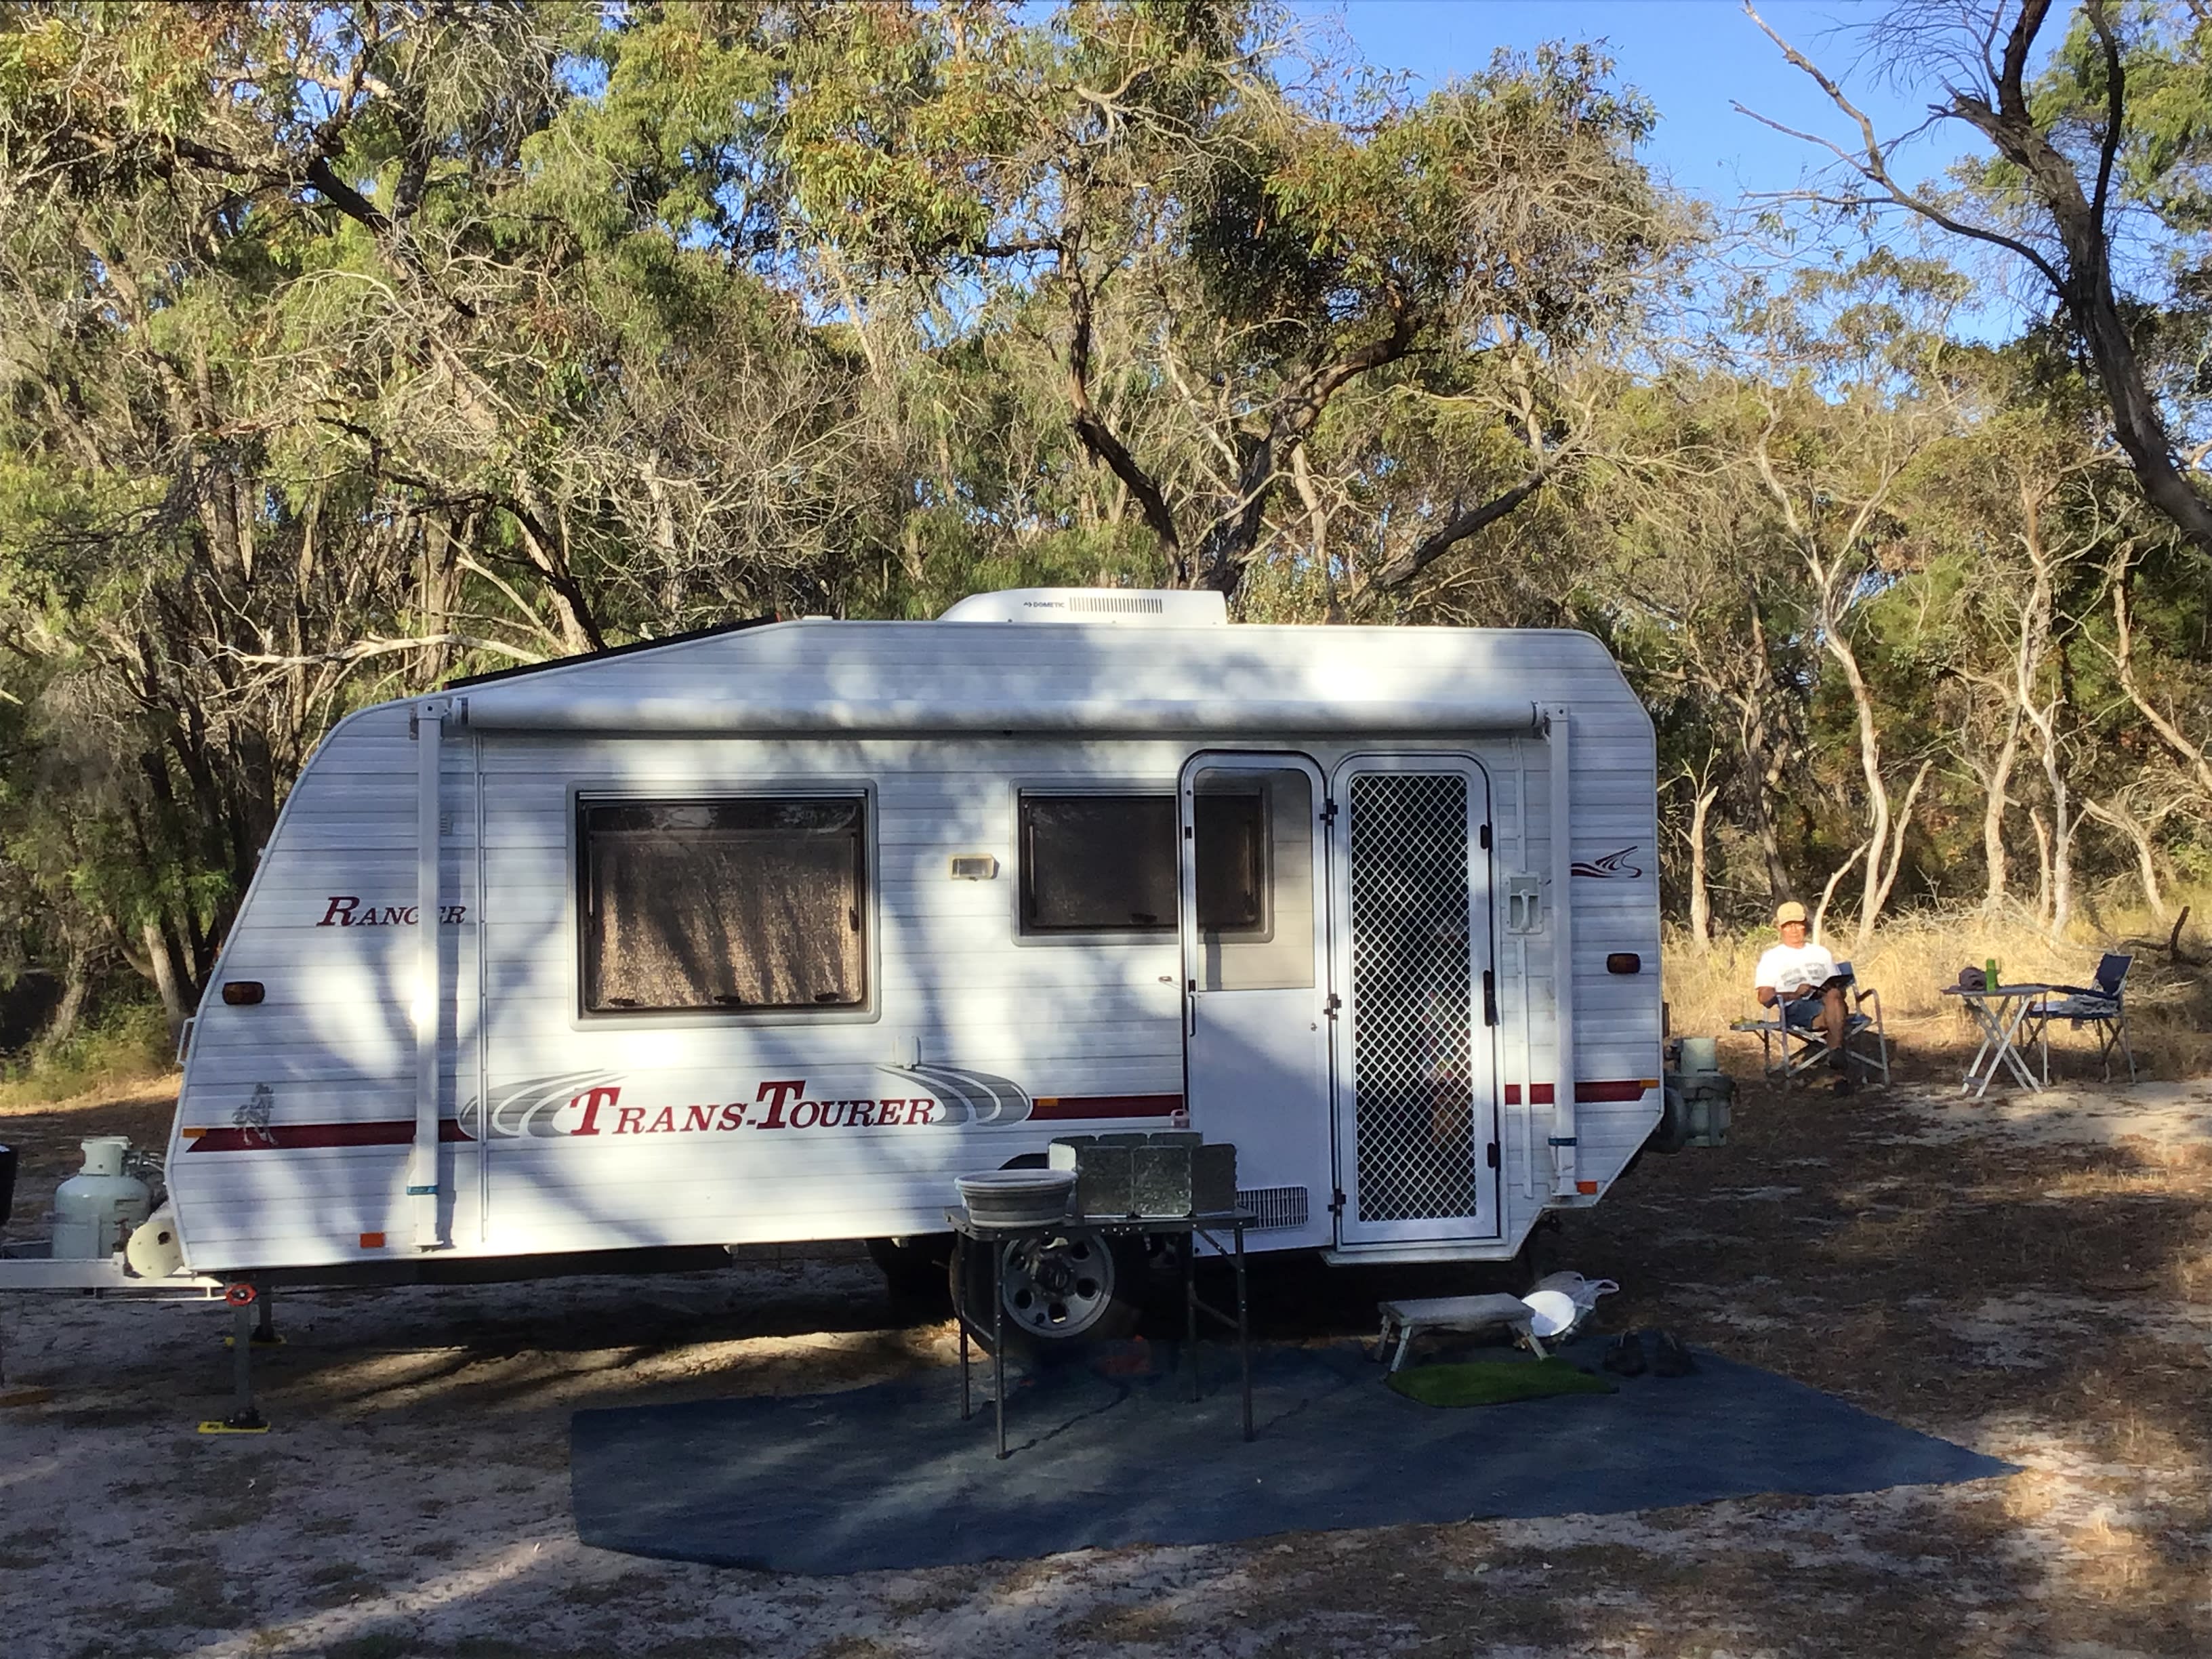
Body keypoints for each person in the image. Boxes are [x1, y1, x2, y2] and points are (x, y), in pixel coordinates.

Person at [1753, 900, 1853, 1090]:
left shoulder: (1821, 953)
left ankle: (1835, 1057)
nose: (1794, 930)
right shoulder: (1772, 957)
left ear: (1805, 924)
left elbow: (1839, 987)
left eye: (1798, 924)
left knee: (1833, 995)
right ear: (1779, 927)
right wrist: (1794, 993)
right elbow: (1764, 997)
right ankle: (1839, 1069)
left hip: (1828, 1003)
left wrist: (1832, 988)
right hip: (1797, 1007)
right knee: (1836, 1014)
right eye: (1788, 925)